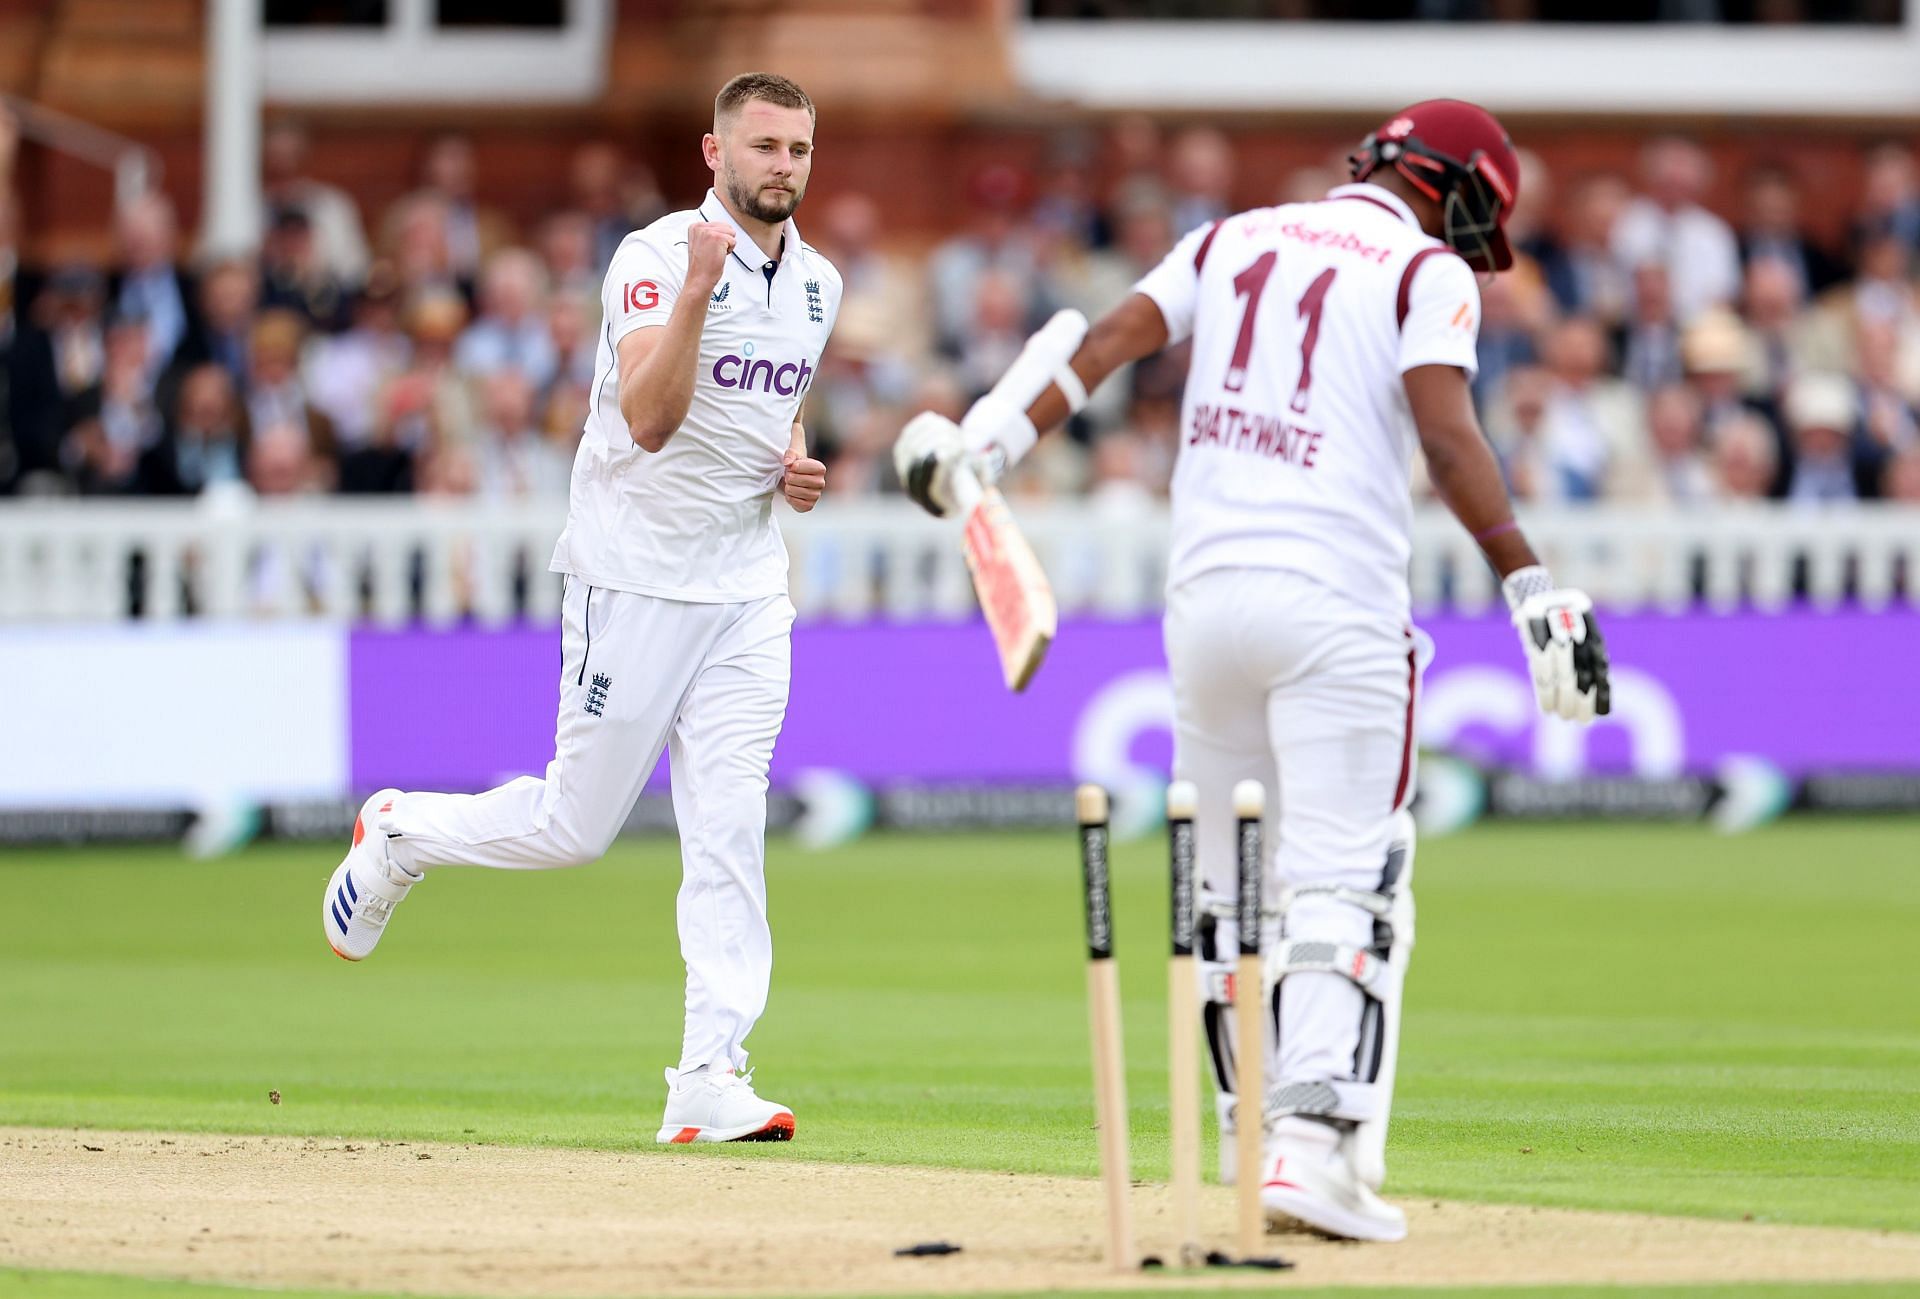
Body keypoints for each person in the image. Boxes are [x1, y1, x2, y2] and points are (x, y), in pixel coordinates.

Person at [895, 100, 1610, 1242]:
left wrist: (986, 446)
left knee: (1229, 886)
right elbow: (1449, 437)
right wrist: (1532, 583)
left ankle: (1245, 1140)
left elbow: (1102, 347)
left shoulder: (1230, 238)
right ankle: (1314, 1152)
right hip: (1334, 605)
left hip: (1204, 603)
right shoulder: (1429, 273)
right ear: (1458, 193)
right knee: (1346, 878)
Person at [320, 73, 838, 1147]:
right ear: (714, 152)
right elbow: (649, 420)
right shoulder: (654, 261)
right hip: (633, 577)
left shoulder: (821, 284)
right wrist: (702, 290)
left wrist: (791, 466)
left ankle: (708, 1073)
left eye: (798, 148)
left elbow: (761, 415)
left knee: (731, 830)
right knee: (573, 827)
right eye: (764, 146)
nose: (783, 166)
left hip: (745, 589)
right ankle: (402, 832)